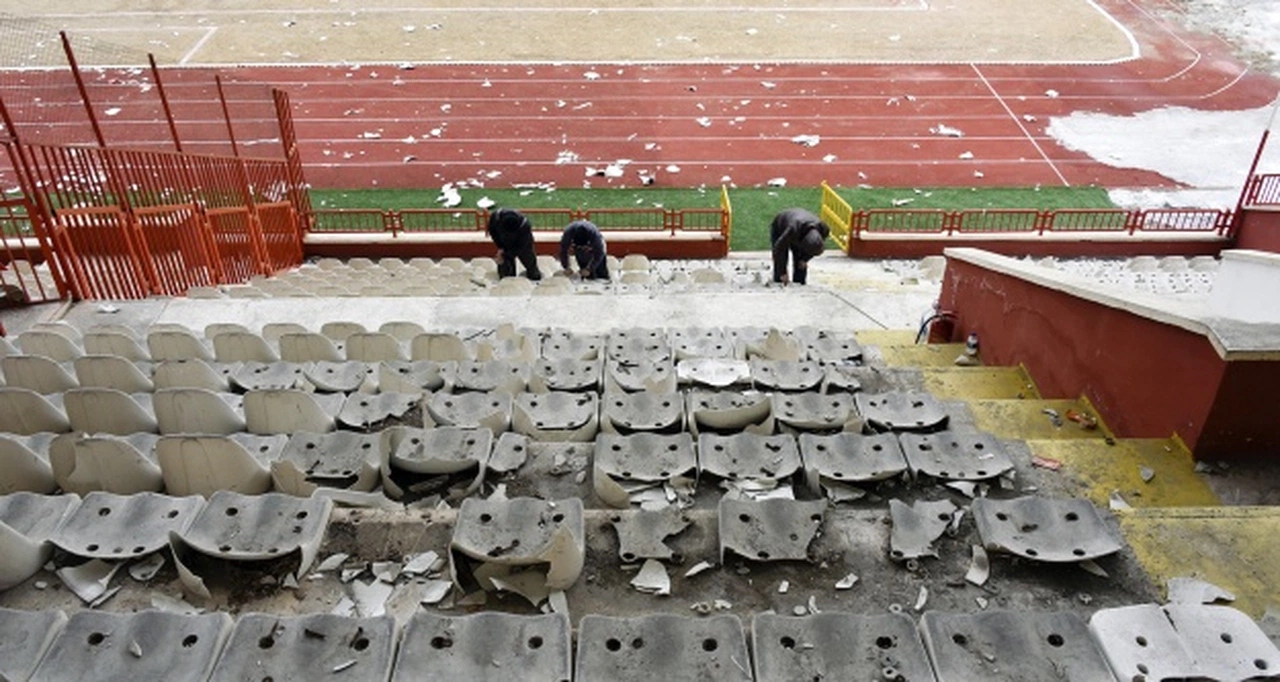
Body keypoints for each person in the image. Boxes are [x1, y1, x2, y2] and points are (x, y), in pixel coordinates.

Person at [769, 208, 830, 285]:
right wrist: (782, 272)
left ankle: (799, 281)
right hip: (780, 227)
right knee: (782, 258)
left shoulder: (823, 229)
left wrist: (804, 259)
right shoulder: (793, 229)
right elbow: (779, 249)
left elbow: (815, 248)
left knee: (800, 262)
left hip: (800, 230)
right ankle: (779, 280)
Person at [487, 207, 541, 280]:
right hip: (503, 241)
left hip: (521, 242)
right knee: (505, 268)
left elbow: (520, 247)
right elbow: (493, 232)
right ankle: (508, 280)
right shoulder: (495, 218)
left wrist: (506, 254)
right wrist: (501, 248)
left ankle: (534, 276)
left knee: (529, 260)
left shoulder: (525, 226)